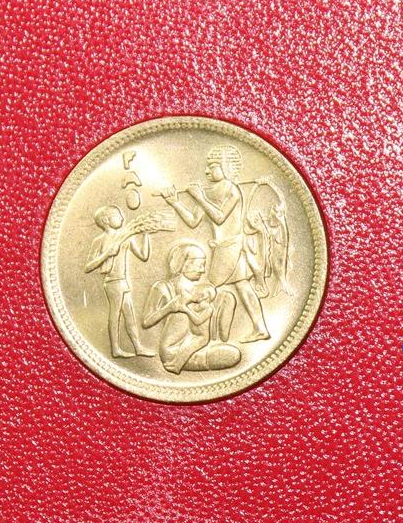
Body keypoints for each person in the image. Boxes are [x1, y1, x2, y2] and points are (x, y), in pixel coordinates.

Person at [161, 145, 271, 343]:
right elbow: (193, 221)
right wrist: (174, 202)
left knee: (209, 288)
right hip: (223, 247)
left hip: (231, 247)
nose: (206, 171)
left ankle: (205, 334)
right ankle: (259, 328)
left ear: (226, 167)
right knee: (243, 287)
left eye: (212, 166)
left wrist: (199, 197)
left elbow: (219, 217)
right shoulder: (208, 192)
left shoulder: (232, 190)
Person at [142, 242, 240, 374]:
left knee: (233, 354)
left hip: (197, 344)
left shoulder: (200, 291)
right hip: (172, 351)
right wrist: (170, 308)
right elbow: (146, 322)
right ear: (184, 264)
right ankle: (180, 360)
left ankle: (199, 356)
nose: (203, 270)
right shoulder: (163, 287)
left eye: (203, 265)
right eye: (199, 265)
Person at [84, 205, 153, 358]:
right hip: (112, 282)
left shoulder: (126, 237)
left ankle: (138, 347)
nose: (122, 217)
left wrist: (146, 235)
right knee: (115, 315)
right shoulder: (99, 241)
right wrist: (107, 254)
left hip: (123, 281)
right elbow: (88, 267)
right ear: (106, 220)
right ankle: (115, 349)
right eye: (117, 215)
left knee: (130, 315)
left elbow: (143, 256)